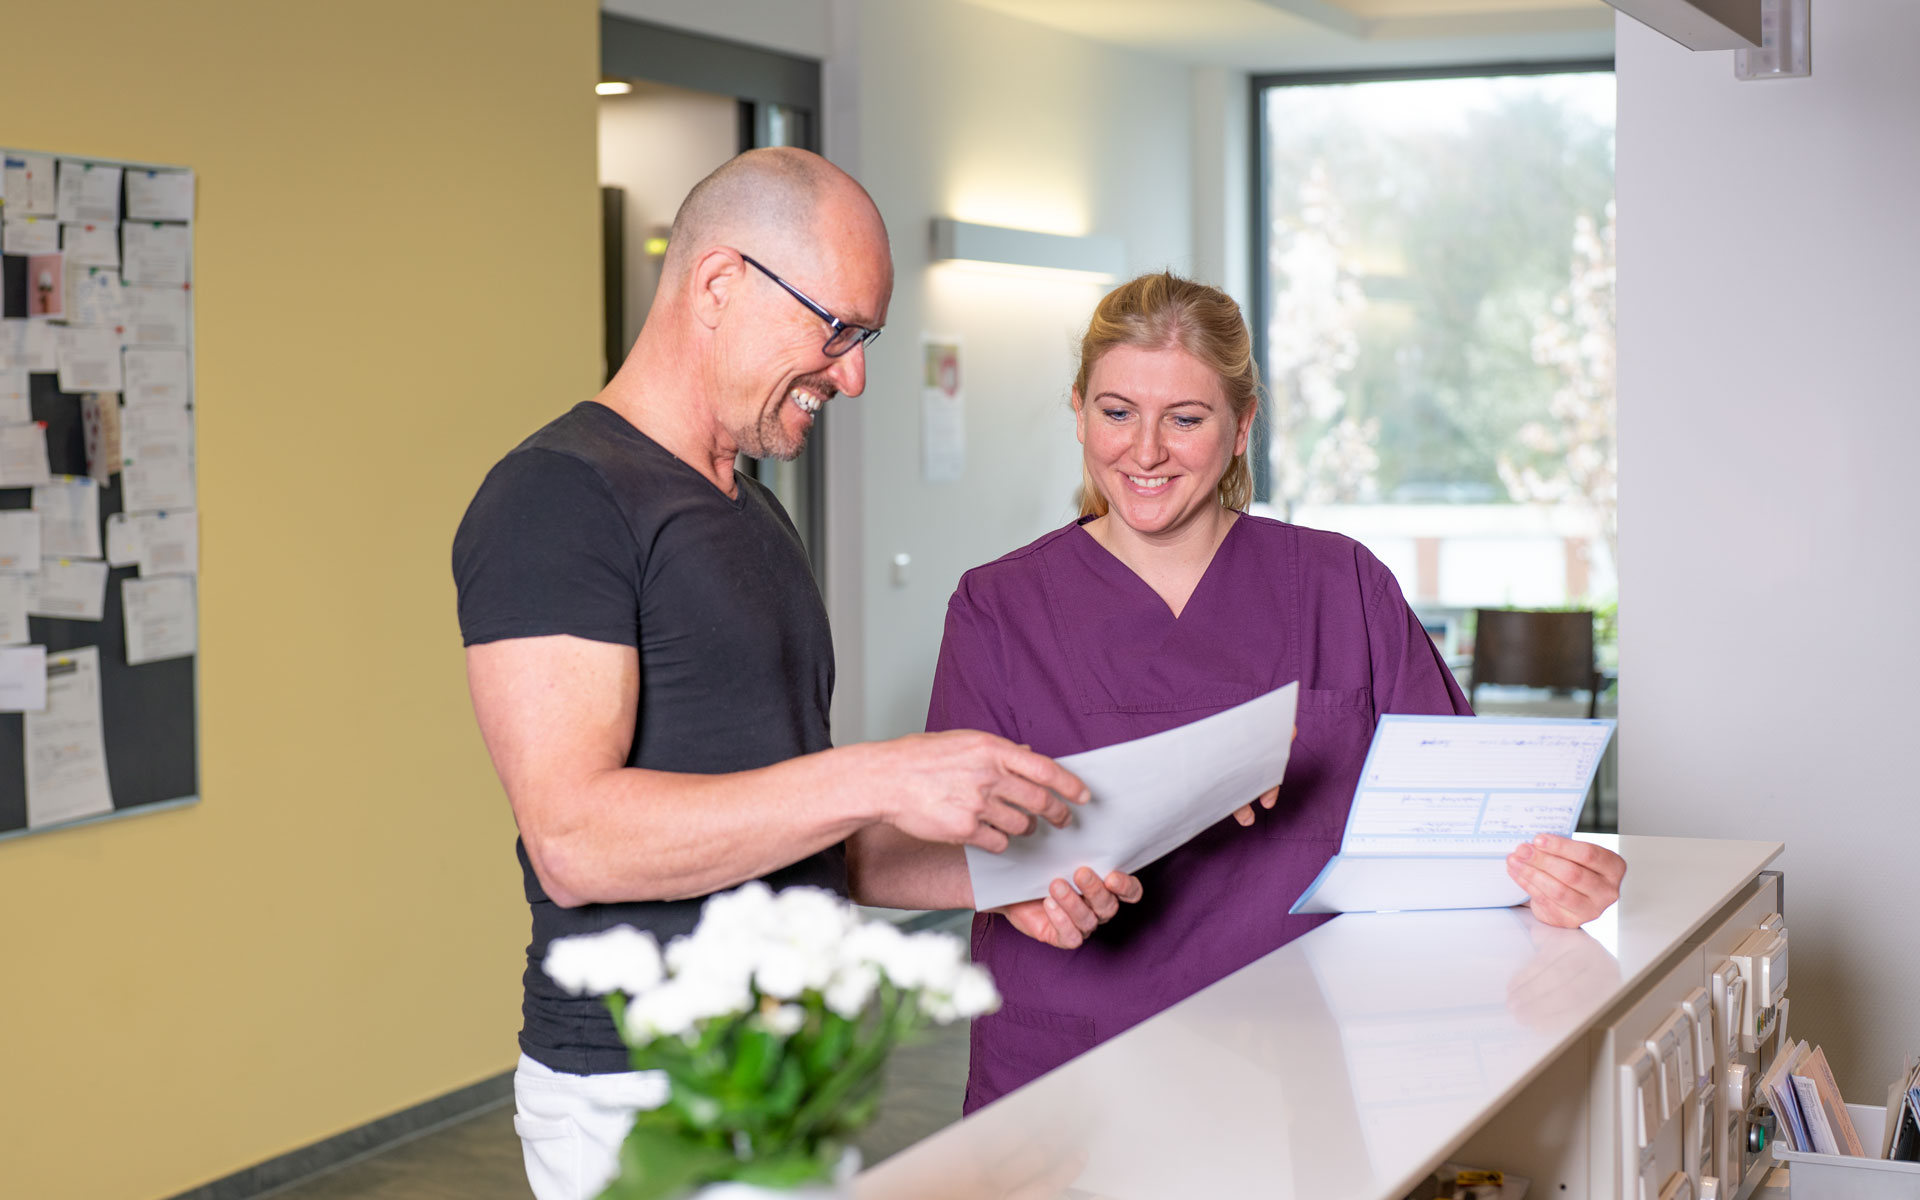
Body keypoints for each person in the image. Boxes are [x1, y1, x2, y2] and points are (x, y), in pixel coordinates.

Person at [451, 148, 1114, 1200]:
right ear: (720, 284)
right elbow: (575, 841)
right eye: (837, 329)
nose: (851, 374)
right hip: (649, 1092)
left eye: (867, 341)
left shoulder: (752, 510)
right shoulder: (557, 497)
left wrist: (1003, 879)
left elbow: (793, 839)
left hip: (792, 1074)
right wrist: (882, 772)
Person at [848, 271, 1627, 1112]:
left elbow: (1465, 834)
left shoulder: (1342, 587)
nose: (1144, 452)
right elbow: (911, 851)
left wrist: (1550, 884)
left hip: (1307, 1060)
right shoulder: (1000, 609)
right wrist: (1022, 885)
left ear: (1242, 425)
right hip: (1074, 1074)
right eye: (1116, 413)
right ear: (1077, 410)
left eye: (1185, 419)